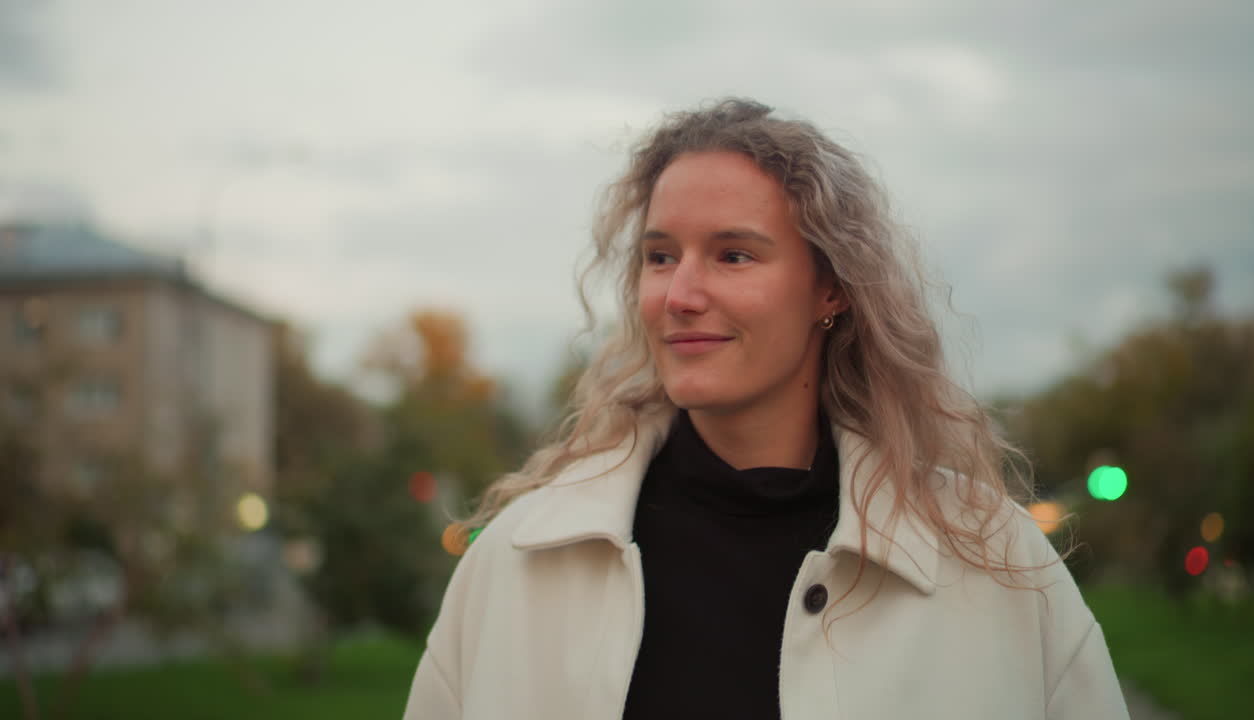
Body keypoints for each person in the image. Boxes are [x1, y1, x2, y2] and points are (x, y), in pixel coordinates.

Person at [403, 98, 1130, 719]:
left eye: (733, 256)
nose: (680, 295)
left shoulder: (994, 566)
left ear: (831, 290)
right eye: (660, 256)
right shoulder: (518, 564)